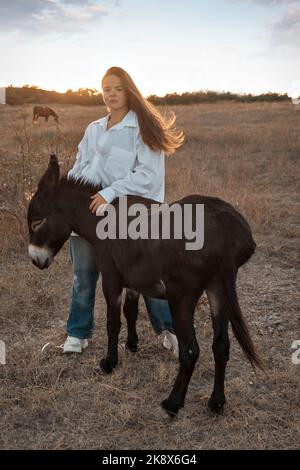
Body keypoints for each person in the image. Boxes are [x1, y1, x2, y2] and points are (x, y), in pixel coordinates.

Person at [63, 66, 184, 357]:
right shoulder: (93, 129)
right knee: (83, 275)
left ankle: (171, 329)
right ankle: (77, 334)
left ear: (129, 90)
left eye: (118, 88)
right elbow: (79, 167)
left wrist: (110, 192)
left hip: (128, 216)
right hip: (87, 215)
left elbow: (148, 176)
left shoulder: (142, 127)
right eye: (106, 88)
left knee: (146, 274)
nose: (112, 94)